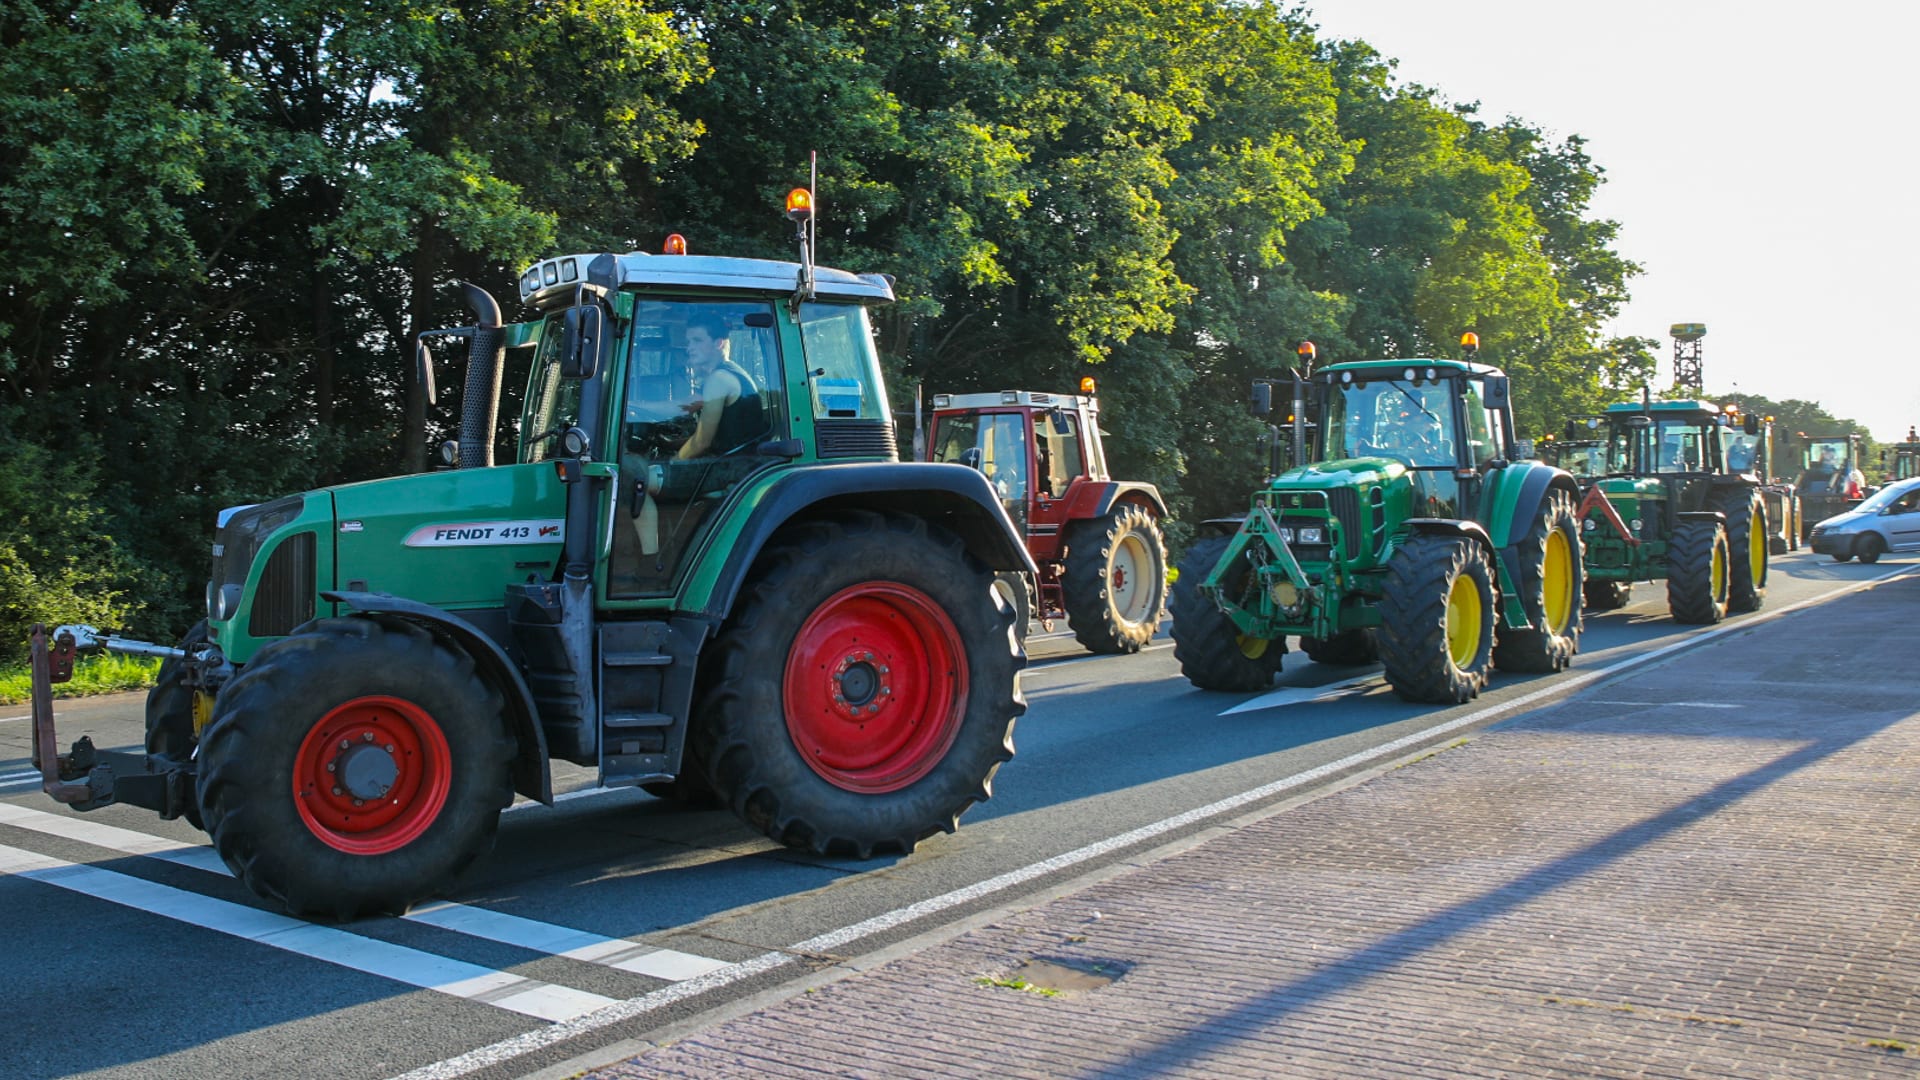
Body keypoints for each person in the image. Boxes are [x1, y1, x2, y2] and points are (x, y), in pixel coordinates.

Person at [676, 313, 764, 459]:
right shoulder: (730, 372)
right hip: (739, 460)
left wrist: (673, 462)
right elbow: (685, 406)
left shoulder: (719, 379)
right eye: (689, 342)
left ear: (718, 343)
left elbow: (701, 442)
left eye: (697, 341)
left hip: (735, 465)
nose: (689, 348)